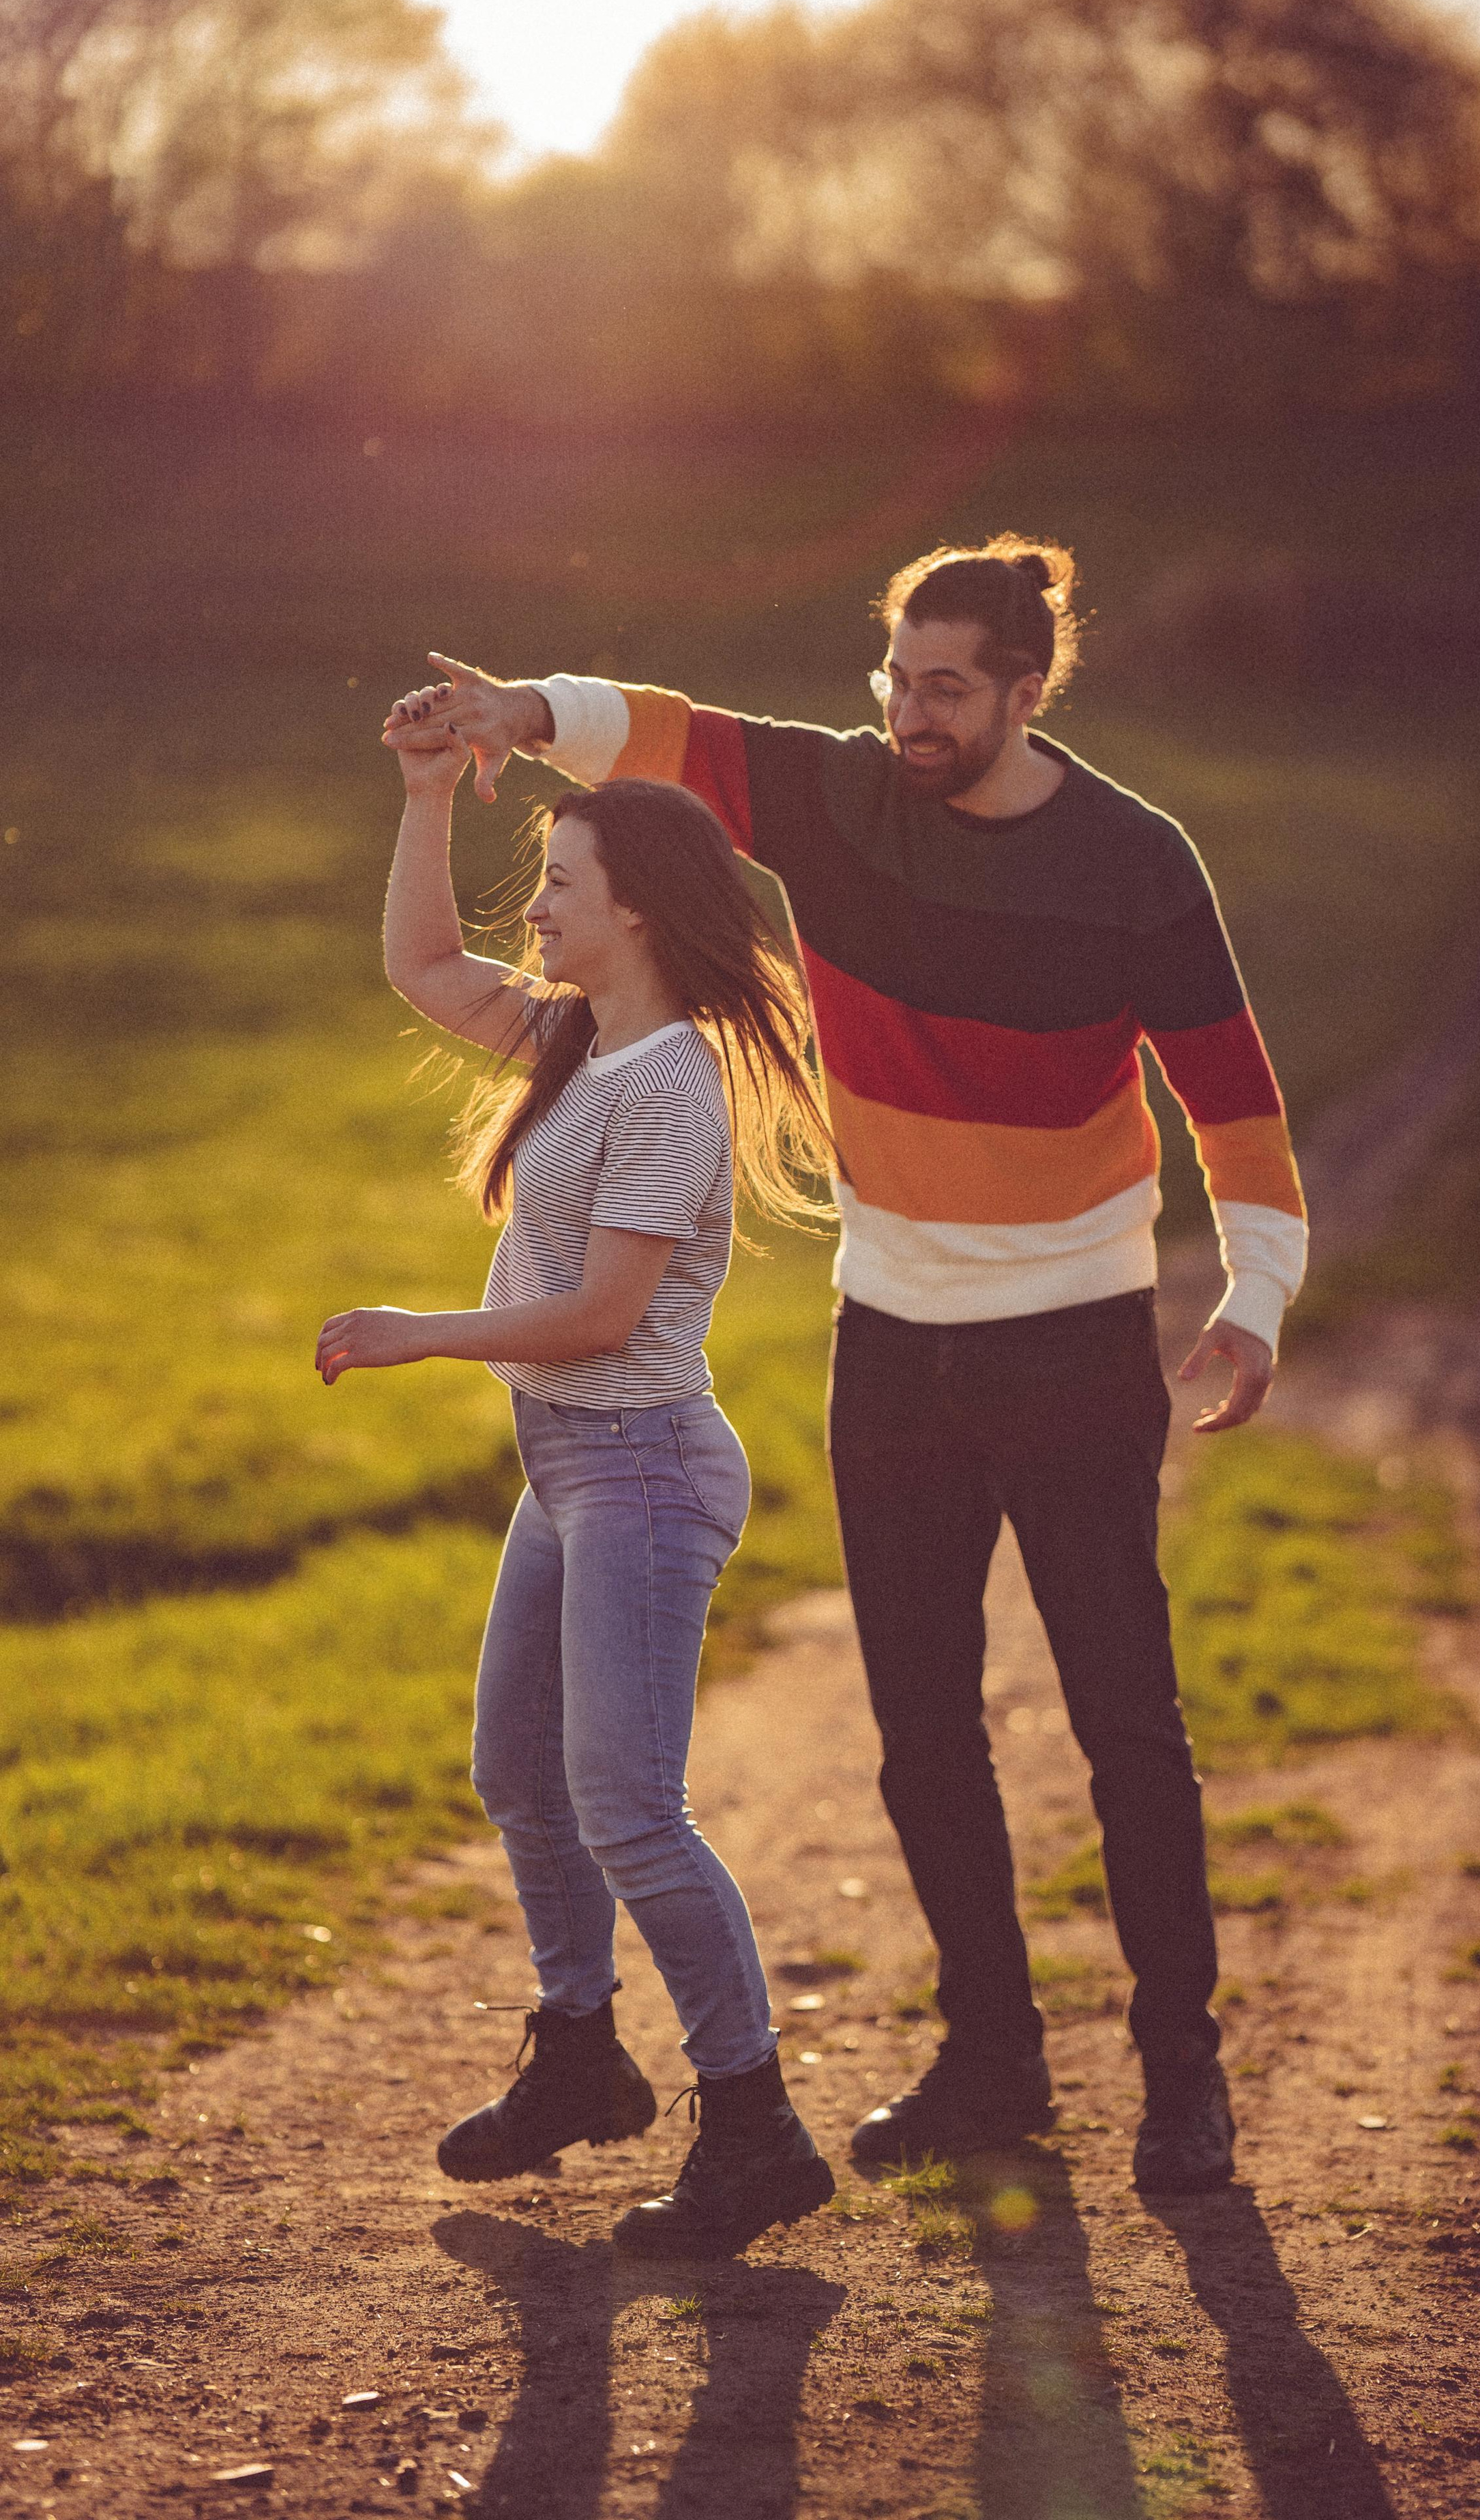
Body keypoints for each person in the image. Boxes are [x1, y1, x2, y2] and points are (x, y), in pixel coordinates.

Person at [383, 533, 1307, 2199]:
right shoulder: (839, 796)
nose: (910, 714)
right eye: (895, 678)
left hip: (1077, 1332)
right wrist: (514, 710)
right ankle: (991, 2058)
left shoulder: (1136, 861)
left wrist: (1253, 1292)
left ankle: (1184, 2078)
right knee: (919, 1731)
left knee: (1123, 1719)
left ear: (1028, 691)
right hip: (890, 1335)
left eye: (946, 687)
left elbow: (1227, 1097)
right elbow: (667, 739)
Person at [316, 717, 838, 2257]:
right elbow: (420, 968)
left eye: (559, 883)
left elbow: (606, 1317)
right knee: (520, 1777)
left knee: (627, 1808)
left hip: (641, 1468)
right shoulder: (580, 1041)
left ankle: (754, 2128)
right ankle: (580, 2057)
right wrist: (419, 795)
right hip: (568, 1471)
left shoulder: (671, 1085)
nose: (530, 909)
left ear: (639, 912)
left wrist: (425, 1334)